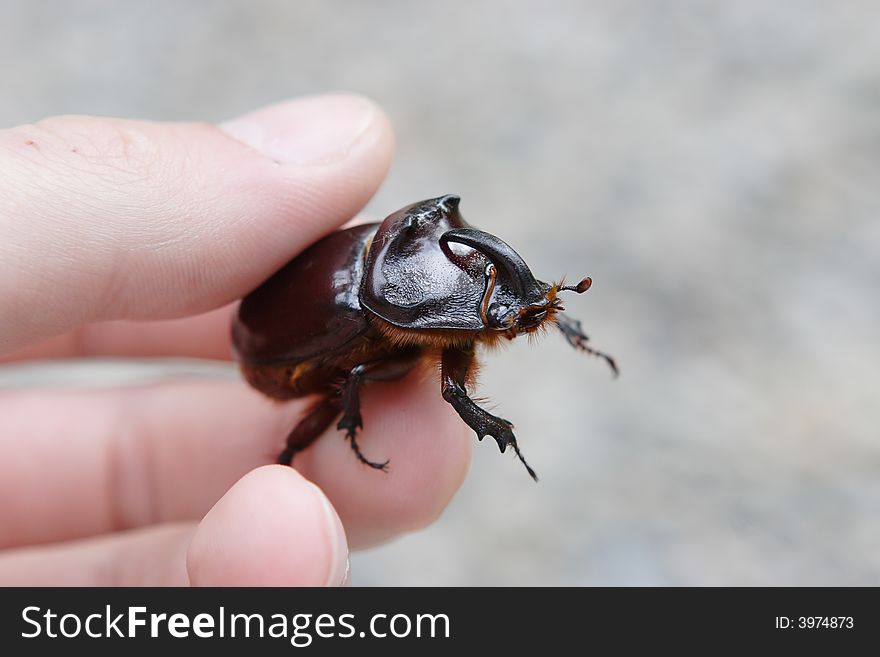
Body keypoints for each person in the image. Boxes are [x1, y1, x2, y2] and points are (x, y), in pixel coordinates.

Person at [0, 95, 472, 586]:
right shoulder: (381, 304)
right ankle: (297, 455)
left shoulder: (400, 277)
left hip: (289, 329)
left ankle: (293, 463)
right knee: (352, 376)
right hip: (274, 353)